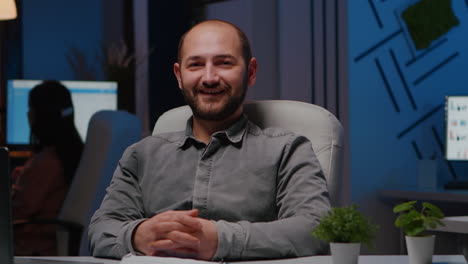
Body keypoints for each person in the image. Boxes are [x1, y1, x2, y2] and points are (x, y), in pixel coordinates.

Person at [89, 20, 330, 261]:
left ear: (251, 72)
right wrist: (137, 236)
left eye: (224, 63)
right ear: (179, 76)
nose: (209, 77)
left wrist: (220, 240)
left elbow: (315, 229)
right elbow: (100, 230)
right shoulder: (141, 155)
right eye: (195, 65)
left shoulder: (288, 150)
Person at [12, 80, 84, 256]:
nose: (28, 114)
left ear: (40, 115)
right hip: (53, 244)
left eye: (30, 108)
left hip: (32, 247)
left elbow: (14, 210)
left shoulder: (46, 162)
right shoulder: (76, 153)